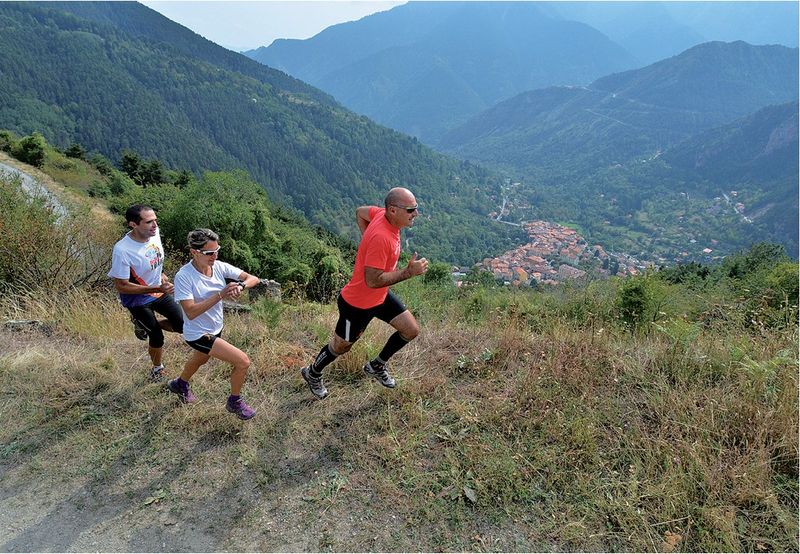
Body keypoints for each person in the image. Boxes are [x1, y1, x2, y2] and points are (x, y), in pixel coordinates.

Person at [300, 187, 428, 399]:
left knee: (411, 330)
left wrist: (365, 239)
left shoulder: (380, 214)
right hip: (357, 304)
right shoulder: (381, 237)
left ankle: (377, 366)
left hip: (380, 297)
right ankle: (312, 372)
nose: (416, 213)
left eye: (416, 208)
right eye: (411, 209)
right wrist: (408, 272)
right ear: (393, 210)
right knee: (341, 346)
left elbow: (360, 211)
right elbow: (372, 280)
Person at [169, 229, 261, 420]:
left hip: (216, 327)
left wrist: (240, 286)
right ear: (194, 252)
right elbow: (191, 312)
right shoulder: (184, 276)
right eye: (209, 253)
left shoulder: (218, 266)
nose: (215, 256)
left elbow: (253, 278)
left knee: (200, 359)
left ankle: (179, 384)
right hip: (198, 333)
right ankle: (234, 401)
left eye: (217, 250)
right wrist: (220, 295)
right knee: (242, 361)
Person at [108, 205, 183, 381]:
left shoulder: (154, 234)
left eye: (155, 220)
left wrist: (161, 275)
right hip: (137, 299)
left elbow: (153, 259)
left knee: (181, 325)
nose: (155, 225)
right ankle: (157, 369)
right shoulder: (122, 250)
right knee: (156, 336)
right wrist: (157, 288)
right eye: (149, 222)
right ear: (133, 224)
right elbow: (122, 286)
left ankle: (145, 324)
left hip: (158, 289)